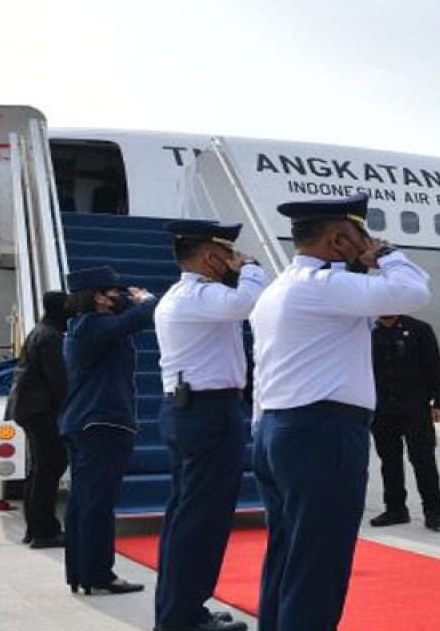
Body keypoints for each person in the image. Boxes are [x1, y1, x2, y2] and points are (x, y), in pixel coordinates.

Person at [250, 192, 431, 630]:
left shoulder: (280, 288)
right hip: (321, 432)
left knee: (289, 555)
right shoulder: (324, 287)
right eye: (360, 236)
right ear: (337, 240)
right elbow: (414, 291)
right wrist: (386, 255)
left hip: (276, 427)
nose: (367, 244)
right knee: (319, 565)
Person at [153, 220, 269, 631]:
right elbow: (250, 303)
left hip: (193, 411)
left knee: (187, 517)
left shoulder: (187, 295)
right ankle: (183, 617)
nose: (233, 261)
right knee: (203, 520)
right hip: (207, 413)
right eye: (228, 253)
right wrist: (252, 267)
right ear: (210, 257)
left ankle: (179, 611)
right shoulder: (198, 295)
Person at [59, 266, 156, 595]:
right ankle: (99, 573)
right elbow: (140, 317)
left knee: (84, 501)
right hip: (101, 423)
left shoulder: (83, 326)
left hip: (85, 422)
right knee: (98, 502)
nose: (122, 297)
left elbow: (128, 320)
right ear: (99, 297)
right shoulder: (93, 325)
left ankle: (83, 572)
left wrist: (132, 304)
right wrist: (147, 300)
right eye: (115, 292)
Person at [368, 314, 440, 531]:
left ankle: (433, 511)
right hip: (382, 409)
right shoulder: (368, 332)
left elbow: (434, 365)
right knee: (389, 460)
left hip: (415, 408)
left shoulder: (419, 329)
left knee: (423, 460)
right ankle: (395, 509)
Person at [6, 291, 72, 548]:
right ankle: (44, 531)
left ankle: (35, 528)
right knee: (49, 469)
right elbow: (58, 379)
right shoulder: (51, 337)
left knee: (40, 471)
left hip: (30, 409)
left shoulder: (41, 331)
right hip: (42, 411)